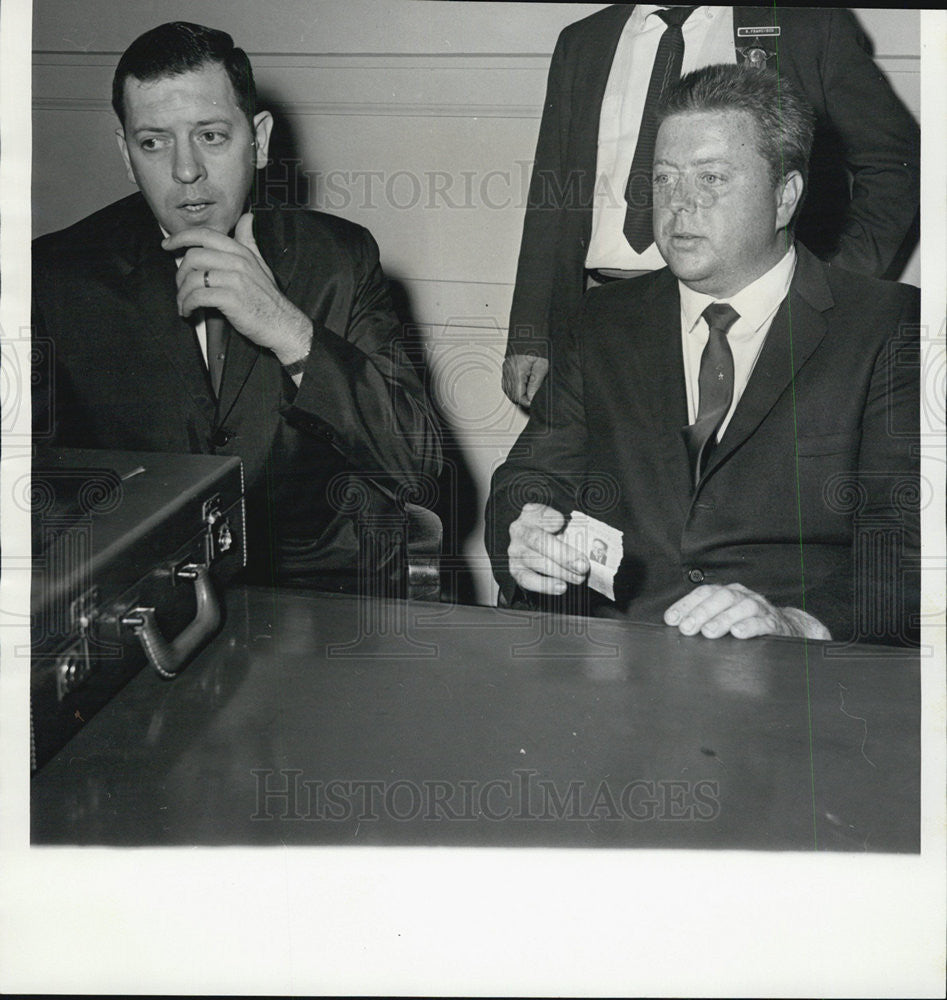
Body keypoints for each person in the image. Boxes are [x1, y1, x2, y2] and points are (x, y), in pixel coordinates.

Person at [486, 64, 920, 647]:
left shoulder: (888, 326)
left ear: (785, 197)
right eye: (664, 180)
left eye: (711, 177)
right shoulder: (602, 319)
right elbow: (531, 476)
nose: (679, 204)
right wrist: (526, 530)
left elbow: (911, 550)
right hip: (617, 661)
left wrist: (798, 623)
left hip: (791, 672)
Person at [32, 21, 441, 592]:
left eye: (211, 136)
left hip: (316, 603)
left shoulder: (339, 259)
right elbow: (31, 493)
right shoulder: (53, 278)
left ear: (260, 138)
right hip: (138, 603)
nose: (185, 170)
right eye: (153, 142)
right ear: (125, 153)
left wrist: (287, 329)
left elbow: (421, 470)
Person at [502, 4, 921, 407]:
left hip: (746, 315)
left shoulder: (804, 23)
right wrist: (532, 332)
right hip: (607, 313)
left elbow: (897, 161)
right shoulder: (584, 40)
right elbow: (552, 192)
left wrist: (834, 281)